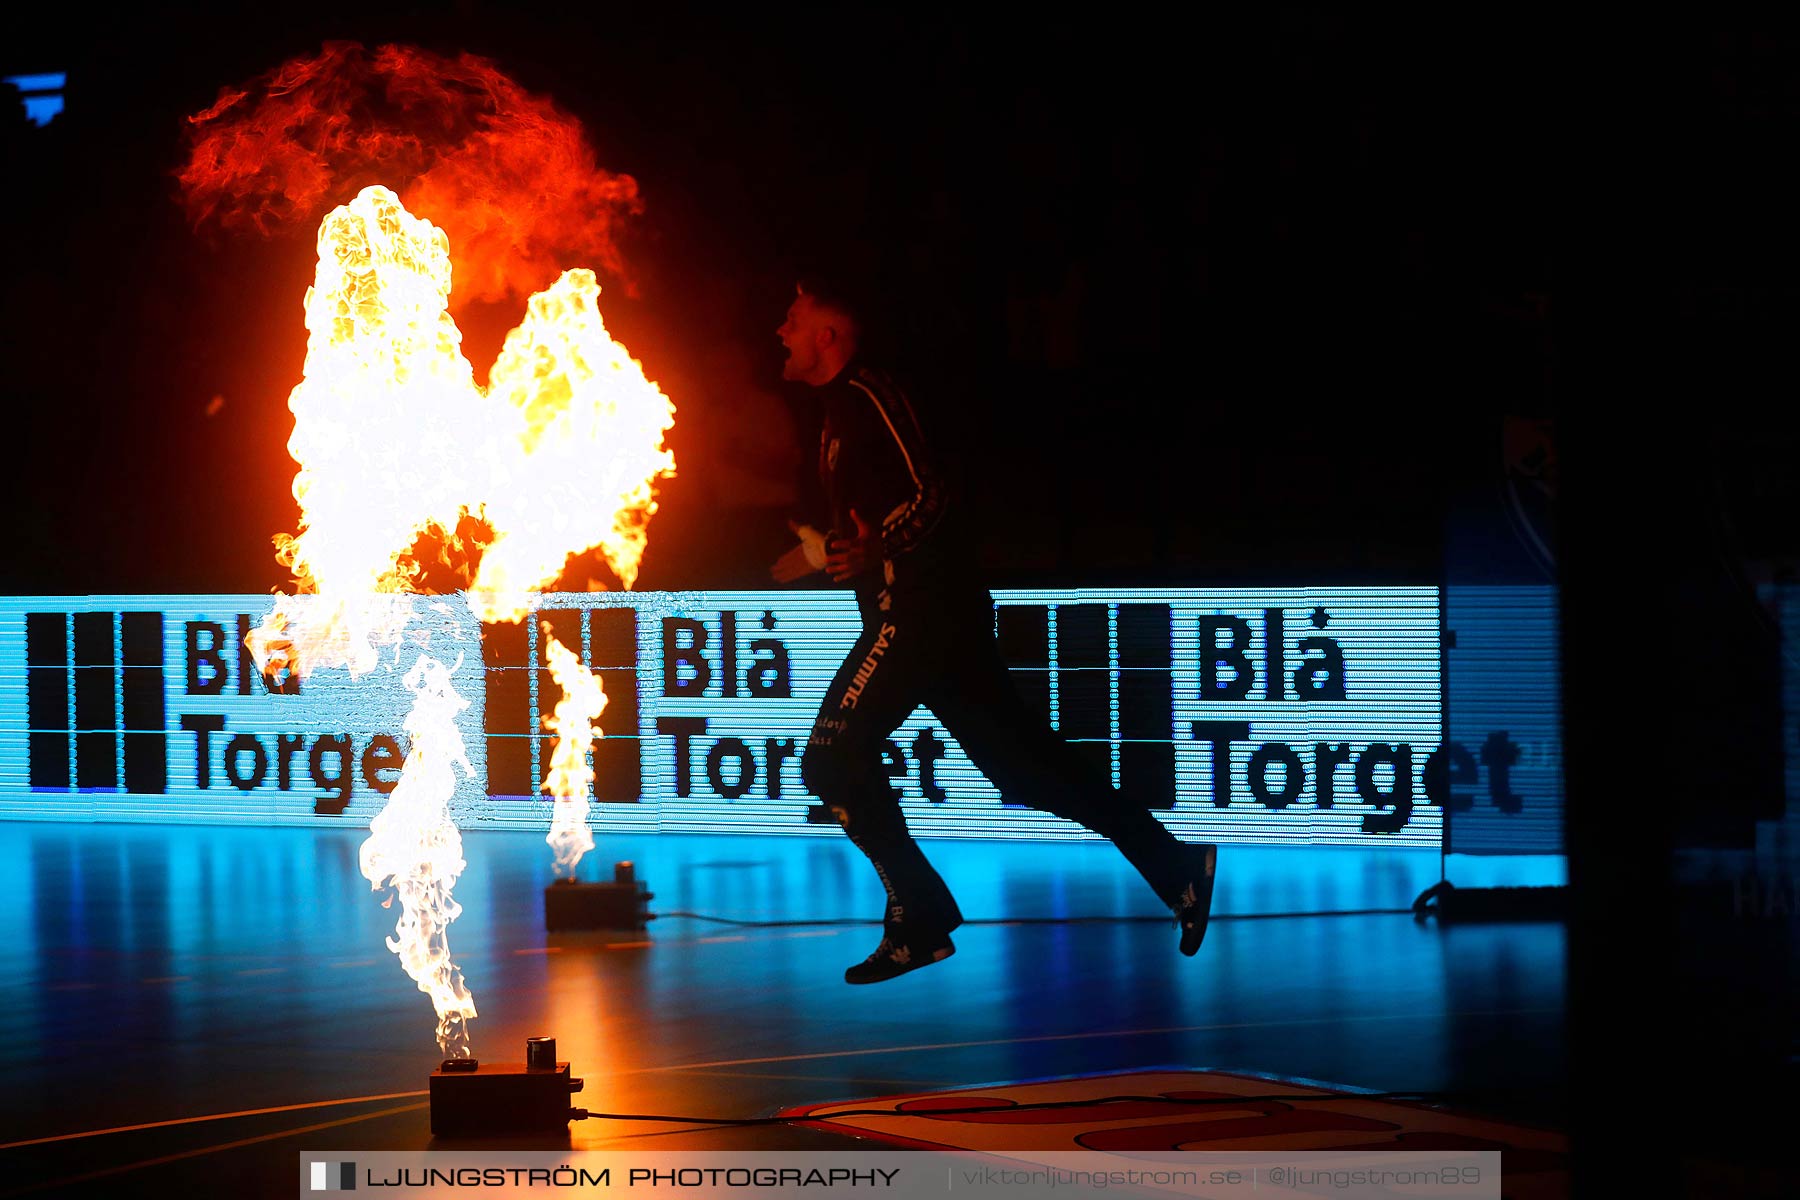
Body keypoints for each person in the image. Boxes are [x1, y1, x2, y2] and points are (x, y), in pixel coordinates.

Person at [771, 278, 1217, 984]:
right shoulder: (834, 415)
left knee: (830, 760)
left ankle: (919, 917)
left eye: (793, 320)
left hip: (920, 613)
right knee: (1027, 770)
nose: (780, 332)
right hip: (936, 620)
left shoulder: (870, 395)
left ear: (829, 335)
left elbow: (932, 492)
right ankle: (1177, 865)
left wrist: (882, 548)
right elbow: (855, 533)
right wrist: (793, 563)